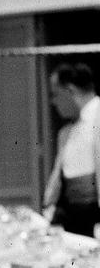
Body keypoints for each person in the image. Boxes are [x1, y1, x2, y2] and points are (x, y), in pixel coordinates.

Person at [42, 63, 100, 237]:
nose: (53, 102)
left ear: (70, 91)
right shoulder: (66, 132)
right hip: (71, 220)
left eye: (55, 95)